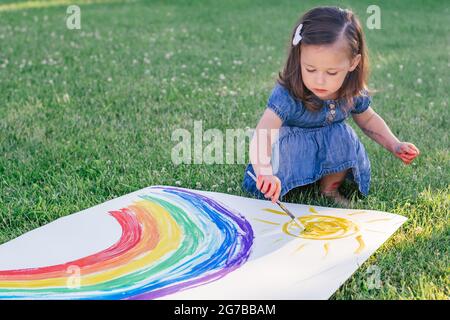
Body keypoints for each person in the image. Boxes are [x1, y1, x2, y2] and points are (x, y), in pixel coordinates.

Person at [241, 6, 420, 207]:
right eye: (310, 69)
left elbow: (368, 120)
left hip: (325, 150)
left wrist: (394, 144)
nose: (319, 80)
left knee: (341, 134)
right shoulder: (288, 93)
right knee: (285, 158)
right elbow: (263, 133)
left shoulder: (351, 91)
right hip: (288, 157)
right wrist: (264, 171)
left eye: (331, 72)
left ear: (353, 63)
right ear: (298, 58)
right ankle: (287, 186)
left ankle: (329, 189)